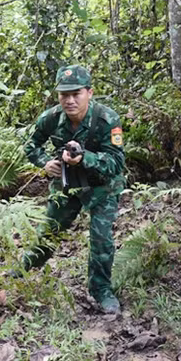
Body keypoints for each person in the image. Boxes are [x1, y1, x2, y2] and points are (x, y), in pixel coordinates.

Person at [18, 65, 126, 314]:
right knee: (49, 232)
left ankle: (101, 290)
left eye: (76, 93)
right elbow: (31, 145)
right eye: (64, 95)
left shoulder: (107, 119)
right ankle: (24, 270)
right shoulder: (51, 118)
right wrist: (44, 163)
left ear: (90, 92)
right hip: (66, 186)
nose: (70, 100)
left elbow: (116, 162)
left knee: (101, 239)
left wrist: (84, 158)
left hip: (102, 188)